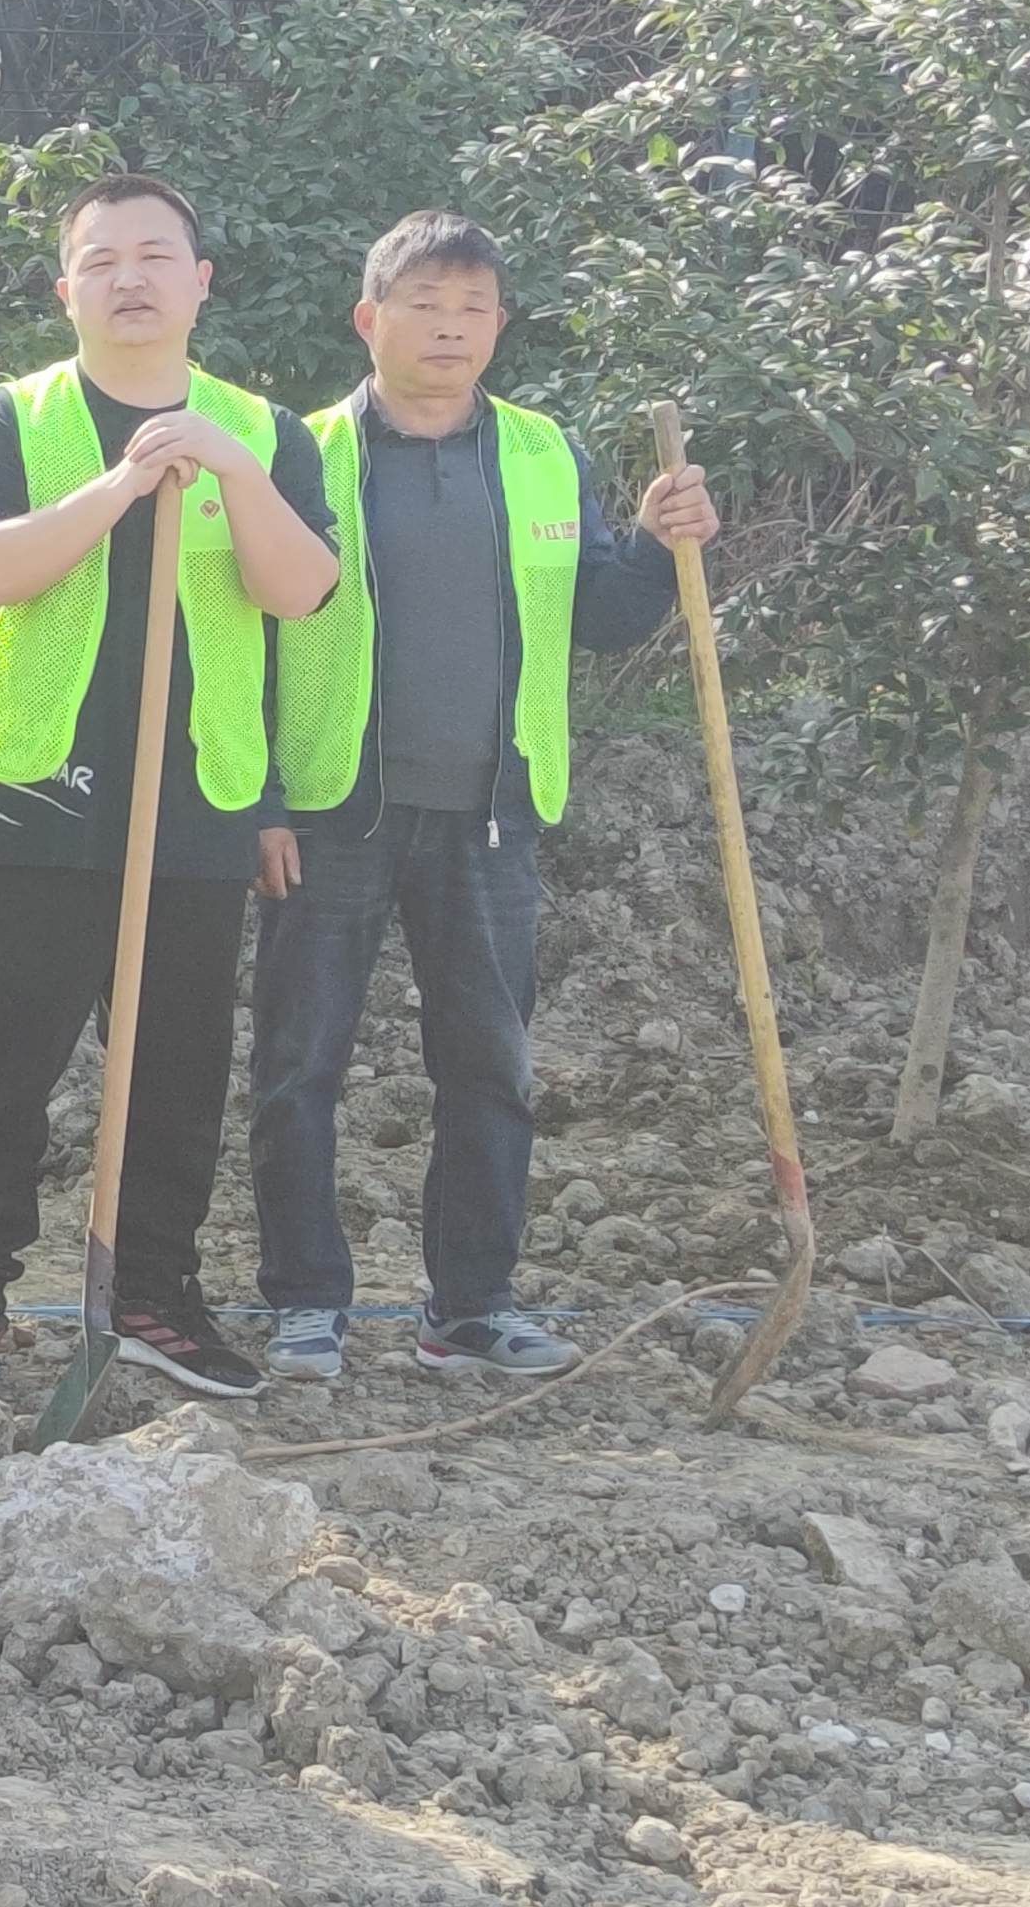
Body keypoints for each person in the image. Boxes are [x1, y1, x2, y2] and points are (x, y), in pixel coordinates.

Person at [249, 211, 715, 1379]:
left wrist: (662, 549)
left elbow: (601, 617)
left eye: (472, 308)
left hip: (491, 816)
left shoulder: (541, 454)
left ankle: (470, 1304)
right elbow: (242, 635)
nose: (449, 326)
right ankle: (304, 1302)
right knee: (299, 1065)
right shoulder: (299, 454)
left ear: (499, 326)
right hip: (325, 810)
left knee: (488, 1067)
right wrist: (254, 798)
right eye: (424, 304)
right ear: (369, 319)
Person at [0, 173, 343, 1399]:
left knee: (173, 1072)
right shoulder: (9, 419)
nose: (130, 278)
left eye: (156, 254)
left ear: (200, 281)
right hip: (36, 796)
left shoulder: (264, 432)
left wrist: (226, 472)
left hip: (196, 802)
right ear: (65, 290)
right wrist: (115, 489)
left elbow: (297, 590)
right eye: (100, 260)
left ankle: (153, 1293)